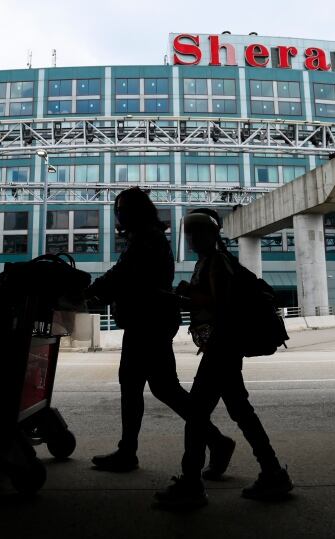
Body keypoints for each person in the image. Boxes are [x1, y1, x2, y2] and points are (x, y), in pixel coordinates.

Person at [85, 188, 235, 475]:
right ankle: (132, 450)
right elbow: (125, 277)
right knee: (148, 387)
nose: (118, 216)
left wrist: (90, 291)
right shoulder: (148, 236)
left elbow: (123, 275)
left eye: (121, 210)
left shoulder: (145, 238)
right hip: (150, 321)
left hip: (147, 323)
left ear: (131, 213)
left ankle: (213, 442)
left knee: (152, 387)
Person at [154, 208, 293, 509]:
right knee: (241, 410)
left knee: (196, 414)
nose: (193, 237)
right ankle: (272, 472)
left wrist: (187, 295)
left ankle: (191, 485)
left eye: (199, 232)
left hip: (222, 347)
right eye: (190, 232)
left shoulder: (217, 262)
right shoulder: (210, 261)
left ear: (213, 234)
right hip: (224, 347)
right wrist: (187, 296)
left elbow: (223, 304)